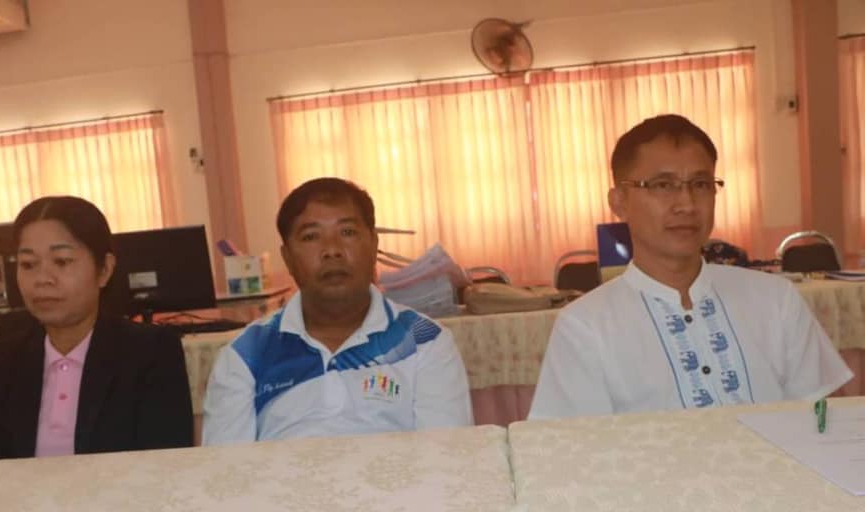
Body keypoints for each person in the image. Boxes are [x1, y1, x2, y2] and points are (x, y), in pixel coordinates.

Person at [529, 114, 852, 418]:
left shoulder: (775, 299)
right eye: (662, 185)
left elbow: (824, 420)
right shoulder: (585, 326)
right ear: (619, 202)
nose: (686, 204)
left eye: (700, 184)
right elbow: (572, 446)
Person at [202, 177, 473, 443]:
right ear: (288, 258)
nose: (332, 250)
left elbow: (445, 457)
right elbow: (228, 467)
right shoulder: (246, 355)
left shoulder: (426, 341)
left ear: (374, 244)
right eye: (311, 236)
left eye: (347, 232)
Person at [0, 196, 194, 460]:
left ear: (104, 269)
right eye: (28, 264)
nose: (42, 279)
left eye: (62, 261)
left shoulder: (151, 352)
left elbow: (165, 464)